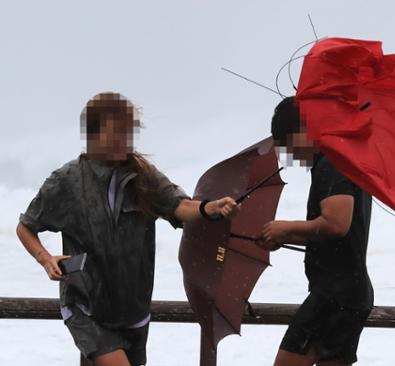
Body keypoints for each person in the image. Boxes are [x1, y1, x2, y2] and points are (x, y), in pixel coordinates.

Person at [15, 92, 240, 366]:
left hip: (133, 309)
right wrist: (45, 258)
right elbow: (26, 226)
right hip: (86, 306)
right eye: (118, 132)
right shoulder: (66, 181)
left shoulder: (143, 176)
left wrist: (210, 208)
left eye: (129, 132)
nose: (126, 140)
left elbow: (179, 206)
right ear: (94, 134)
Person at [258, 97, 374, 366]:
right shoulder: (343, 158)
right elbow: (332, 232)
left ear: (303, 131)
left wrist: (287, 227)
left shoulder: (332, 162)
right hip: (349, 292)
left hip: (336, 294)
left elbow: (336, 223)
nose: (289, 155)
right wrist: (284, 236)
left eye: (288, 145)